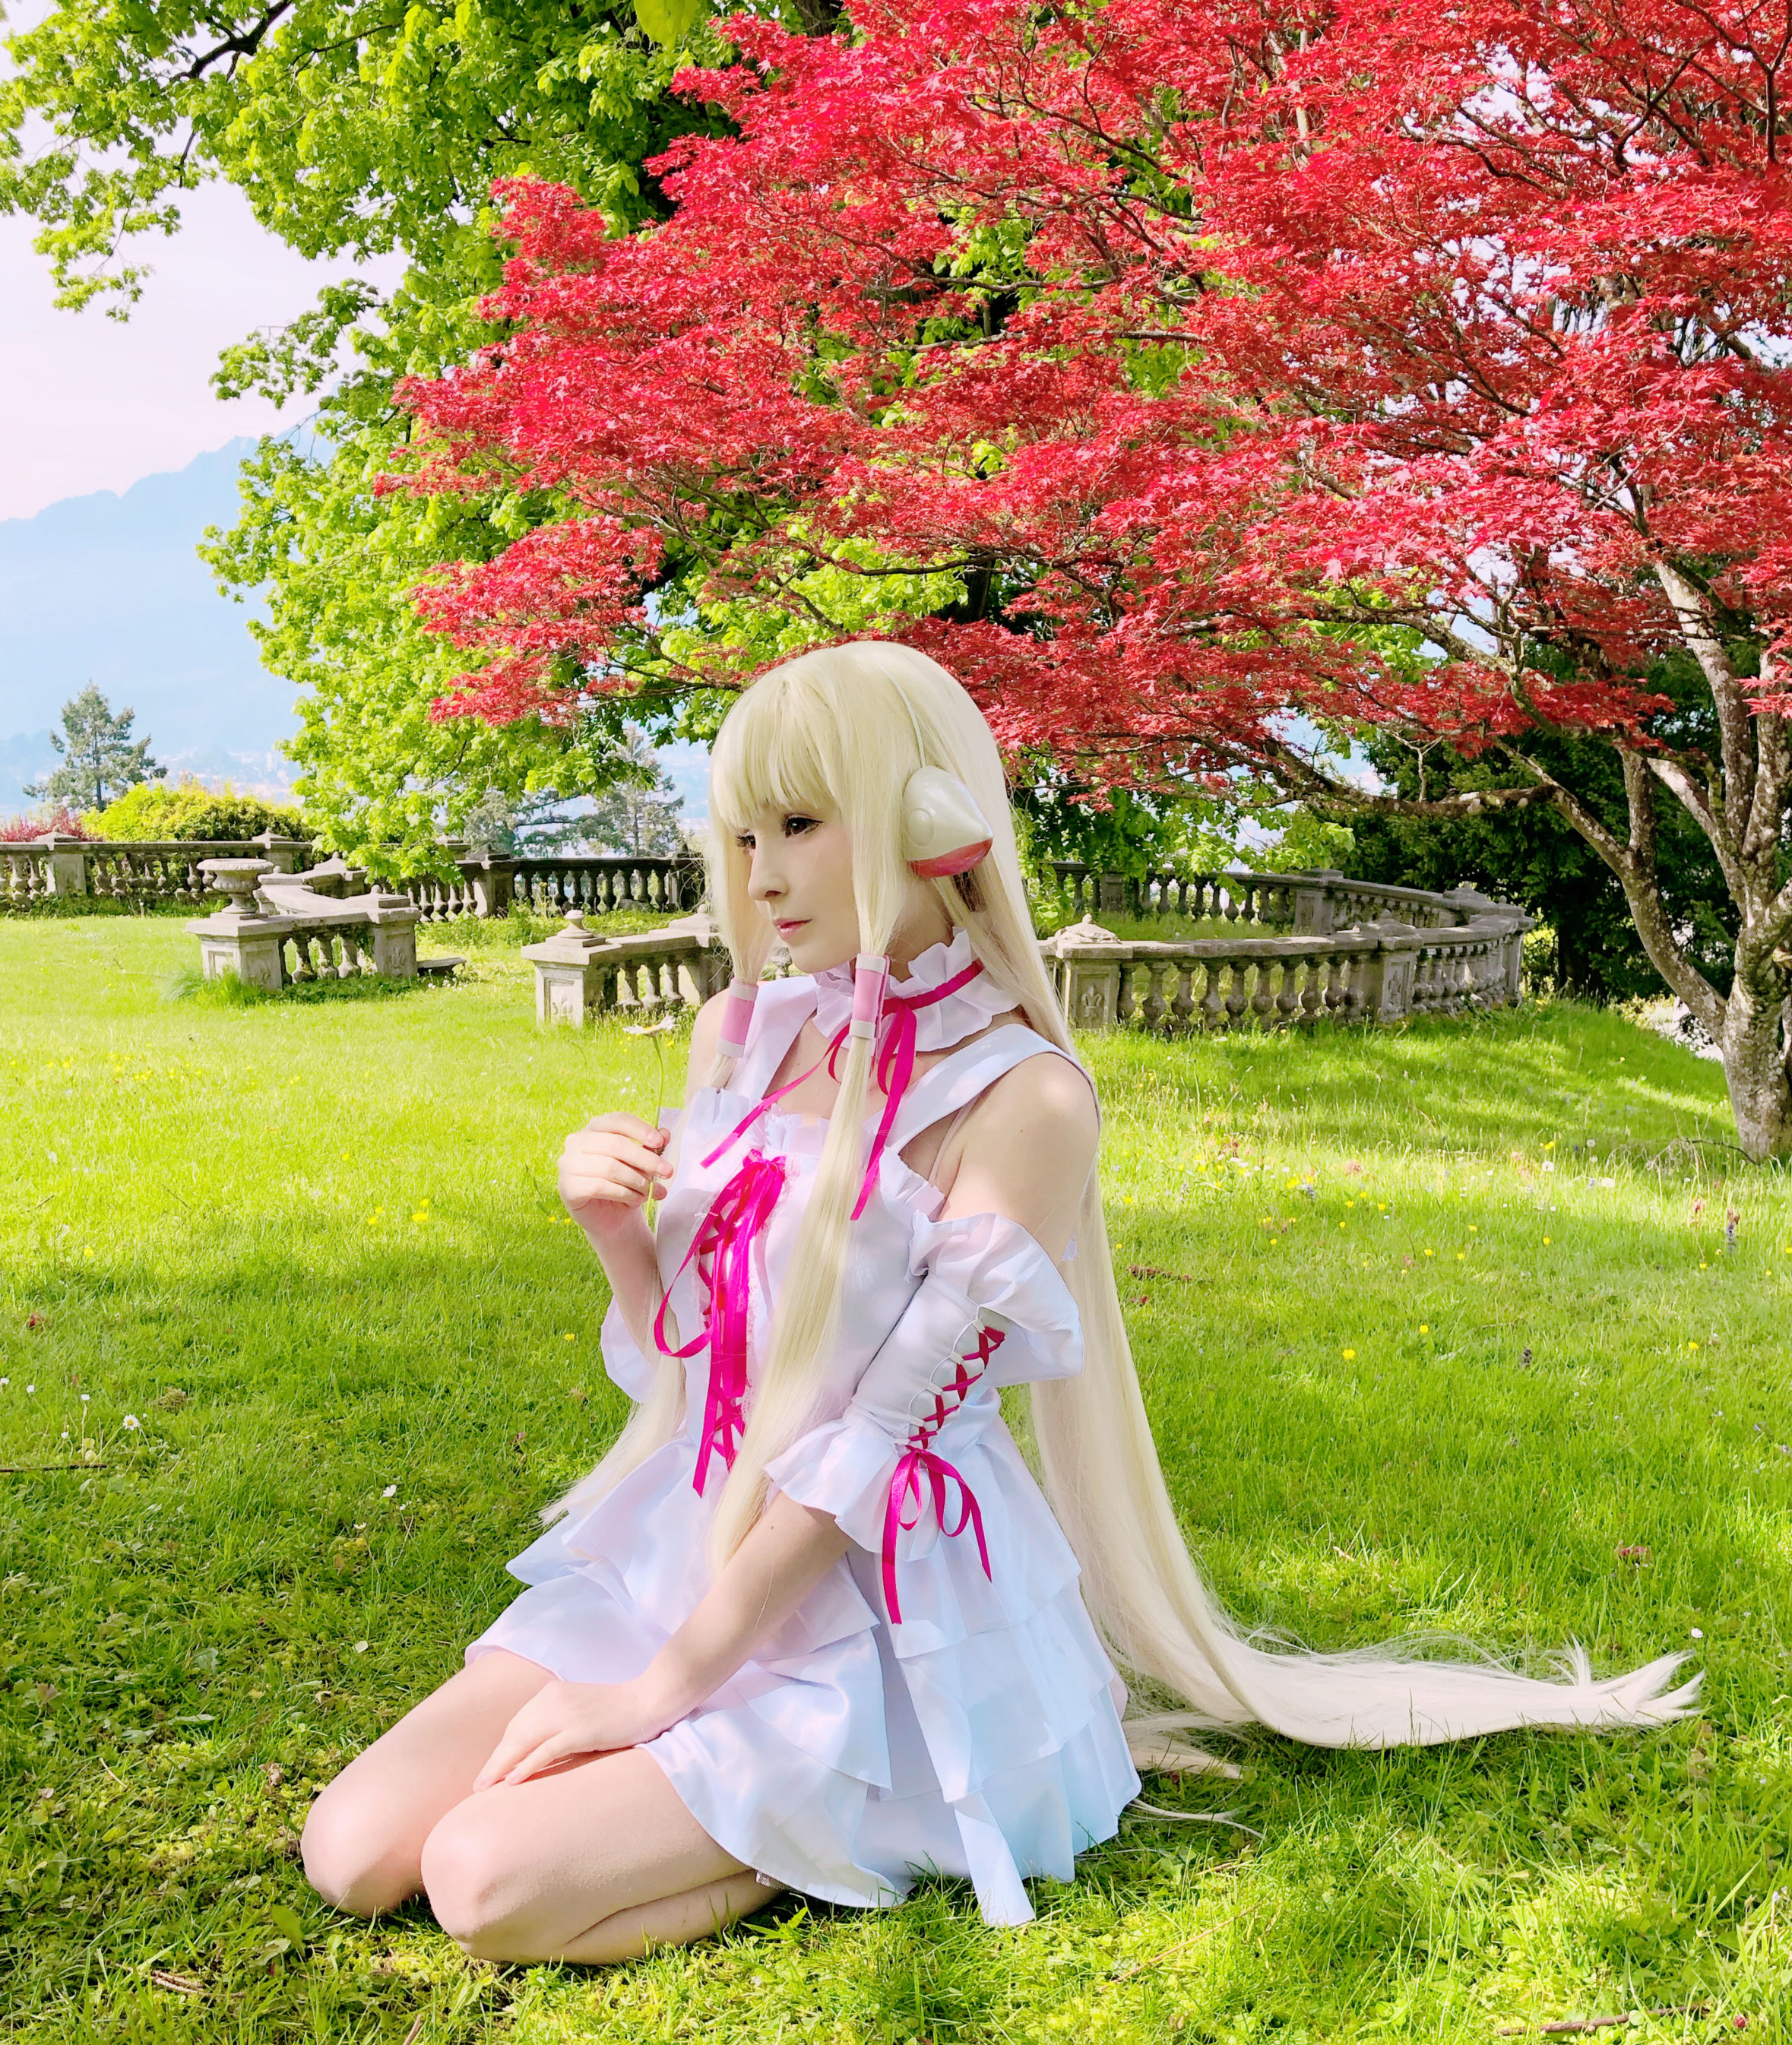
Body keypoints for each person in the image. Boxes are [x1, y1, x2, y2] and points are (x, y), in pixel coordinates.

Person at [302, 641, 1691, 1960]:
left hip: (873, 1598)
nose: (764, 876)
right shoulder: (739, 1030)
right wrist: (614, 1230)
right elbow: (703, 1357)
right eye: (745, 834)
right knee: (352, 1852)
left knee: (481, 1882)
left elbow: (874, 1445)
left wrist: (659, 1692)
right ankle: (697, 1788)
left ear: (928, 821)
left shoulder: (1024, 1097)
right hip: (692, 1533)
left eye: (802, 824)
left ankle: (833, 1824)